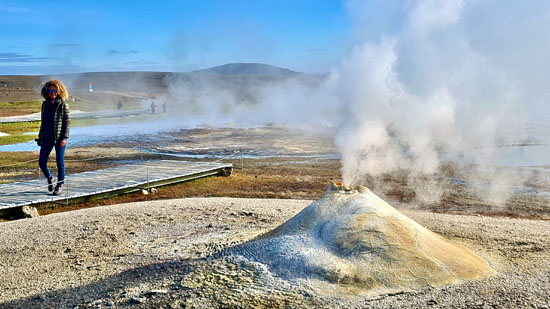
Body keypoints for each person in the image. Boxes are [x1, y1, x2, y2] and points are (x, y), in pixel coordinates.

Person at [36, 79, 70, 195]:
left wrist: (65, 138)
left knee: (60, 162)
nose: (52, 93)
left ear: (59, 91)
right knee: (41, 162)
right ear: (46, 91)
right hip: (47, 137)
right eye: (50, 91)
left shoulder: (63, 104)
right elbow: (43, 122)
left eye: (55, 91)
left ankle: (60, 185)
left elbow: (67, 122)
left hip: (59, 138)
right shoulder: (45, 104)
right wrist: (40, 137)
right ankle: (50, 177)